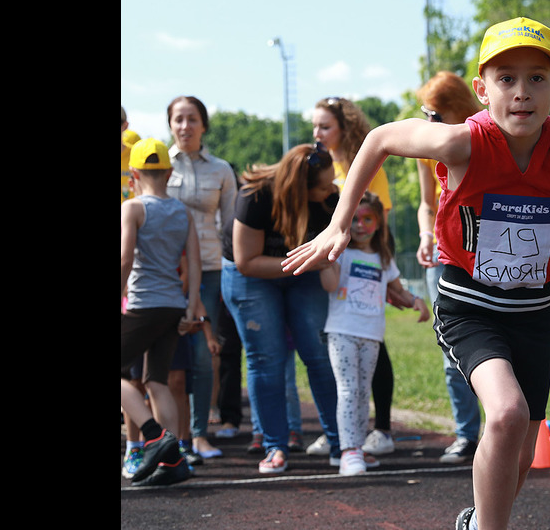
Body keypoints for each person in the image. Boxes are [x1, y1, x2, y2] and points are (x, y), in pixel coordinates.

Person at [280, 16, 550, 530]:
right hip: (469, 307)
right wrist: (337, 224)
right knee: (506, 413)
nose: (521, 92)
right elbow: (377, 139)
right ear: (481, 89)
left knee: (525, 448)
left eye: (537, 78)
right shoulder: (461, 143)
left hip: (533, 312)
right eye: (505, 78)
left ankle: (477, 521)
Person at [221, 142, 344, 474]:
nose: (331, 190)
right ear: (298, 188)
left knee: (318, 353)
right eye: (322, 186)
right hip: (251, 276)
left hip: (303, 271)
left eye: (332, 181)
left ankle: (340, 443)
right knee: (266, 358)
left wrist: (319, 262)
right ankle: (274, 446)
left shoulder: (330, 199)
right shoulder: (255, 196)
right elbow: (247, 262)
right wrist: (306, 262)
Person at [309, 96, 403, 459]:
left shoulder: (368, 163)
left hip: (365, 249)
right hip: (330, 256)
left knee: (373, 343)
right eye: (315, 126)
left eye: (325, 126)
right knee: (334, 344)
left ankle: (381, 429)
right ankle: (339, 430)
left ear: (344, 129)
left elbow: (375, 214)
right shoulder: (317, 163)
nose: (317, 133)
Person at [321, 192, 430, 475]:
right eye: (354, 218)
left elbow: (397, 290)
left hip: (371, 335)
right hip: (342, 332)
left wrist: (416, 301)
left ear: (379, 222)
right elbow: (330, 286)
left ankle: (356, 447)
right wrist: (325, 257)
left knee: (361, 394)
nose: (360, 225)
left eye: (367, 218)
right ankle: (348, 452)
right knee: (349, 390)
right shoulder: (340, 252)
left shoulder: (383, 257)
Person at [121, 137, 201, 486]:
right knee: (157, 381)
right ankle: (173, 461)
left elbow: (124, 259)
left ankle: (154, 436)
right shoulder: (183, 212)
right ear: (169, 173)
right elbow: (194, 265)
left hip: (143, 304)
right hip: (173, 305)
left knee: (132, 377)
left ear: (133, 174)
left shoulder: (133, 208)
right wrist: (192, 306)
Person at [415, 70, 485, 464]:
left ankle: (501, 431)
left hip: (483, 258)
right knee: (451, 351)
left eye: (434, 115)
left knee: (496, 347)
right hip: (441, 257)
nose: (427, 123)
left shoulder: (485, 142)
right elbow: (428, 203)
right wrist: (427, 234)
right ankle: (466, 435)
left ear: (457, 112)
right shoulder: (427, 148)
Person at [166, 95, 238, 459]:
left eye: (192, 119)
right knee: (168, 356)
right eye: (178, 119)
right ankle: (169, 436)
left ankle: (198, 434)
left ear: (203, 125)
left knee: (201, 351)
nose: (185, 127)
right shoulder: (160, 165)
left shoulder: (222, 170)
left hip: (209, 268)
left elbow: (231, 226)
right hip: (166, 271)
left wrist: (231, 269)